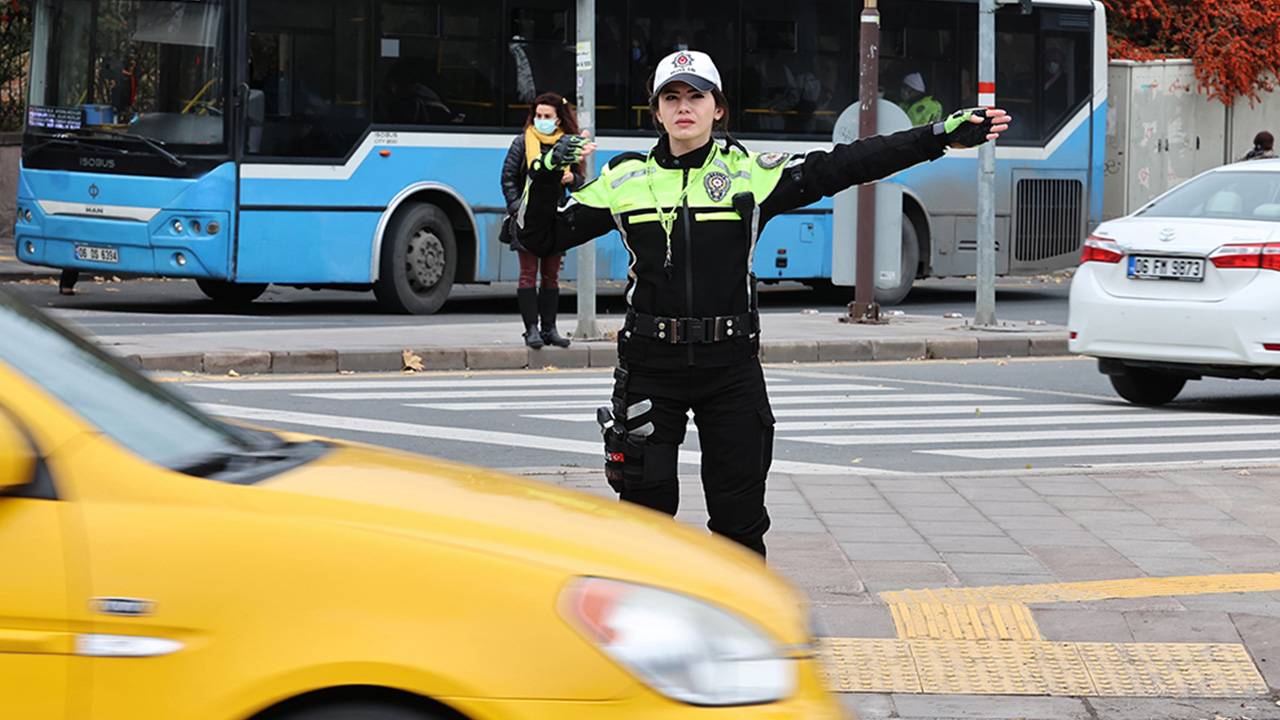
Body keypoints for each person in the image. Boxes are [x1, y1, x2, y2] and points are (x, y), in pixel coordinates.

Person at [517, 50, 1009, 556]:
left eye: (695, 96)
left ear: (717, 108)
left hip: (730, 369)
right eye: (671, 97)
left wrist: (937, 137)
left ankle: (736, 627)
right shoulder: (624, 182)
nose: (683, 107)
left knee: (739, 522)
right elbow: (537, 237)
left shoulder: (751, 175)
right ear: (657, 112)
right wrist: (545, 175)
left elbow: (847, 164)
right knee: (644, 520)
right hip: (650, 366)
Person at [501, 92, 584, 349]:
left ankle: (550, 329)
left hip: (555, 219)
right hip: (526, 219)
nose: (541, 120)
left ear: (558, 119)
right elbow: (508, 179)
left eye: (547, 116)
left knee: (551, 277)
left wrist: (573, 180)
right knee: (528, 274)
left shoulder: (568, 145)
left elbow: (581, 182)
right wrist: (517, 208)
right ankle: (531, 330)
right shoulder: (522, 142)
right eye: (538, 115)